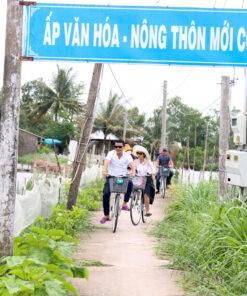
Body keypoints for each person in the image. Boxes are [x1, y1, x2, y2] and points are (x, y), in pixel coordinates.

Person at [100, 139, 135, 224]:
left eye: (119, 147)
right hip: (111, 177)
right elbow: (107, 162)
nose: (117, 148)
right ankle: (106, 215)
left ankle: (124, 203)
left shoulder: (127, 155)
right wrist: (104, 170)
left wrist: (133, 172)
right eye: (116, 147)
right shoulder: (111, 153)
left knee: (130, 183)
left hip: (123, 177)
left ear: (123, 147)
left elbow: (132, 164)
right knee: (106, 194)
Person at [132, 145, 156, 217]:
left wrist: (152, 172)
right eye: (137, 153)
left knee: (146, 193)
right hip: (138, 178)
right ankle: (133, 201)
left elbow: (153, 168)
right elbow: (132, 168)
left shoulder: (148, 161)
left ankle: (147, 210)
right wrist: (131, 172)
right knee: (132, 188)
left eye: (140, 153)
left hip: (147, 178)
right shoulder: (135, 161)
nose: (138, 155)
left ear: (143, 154)